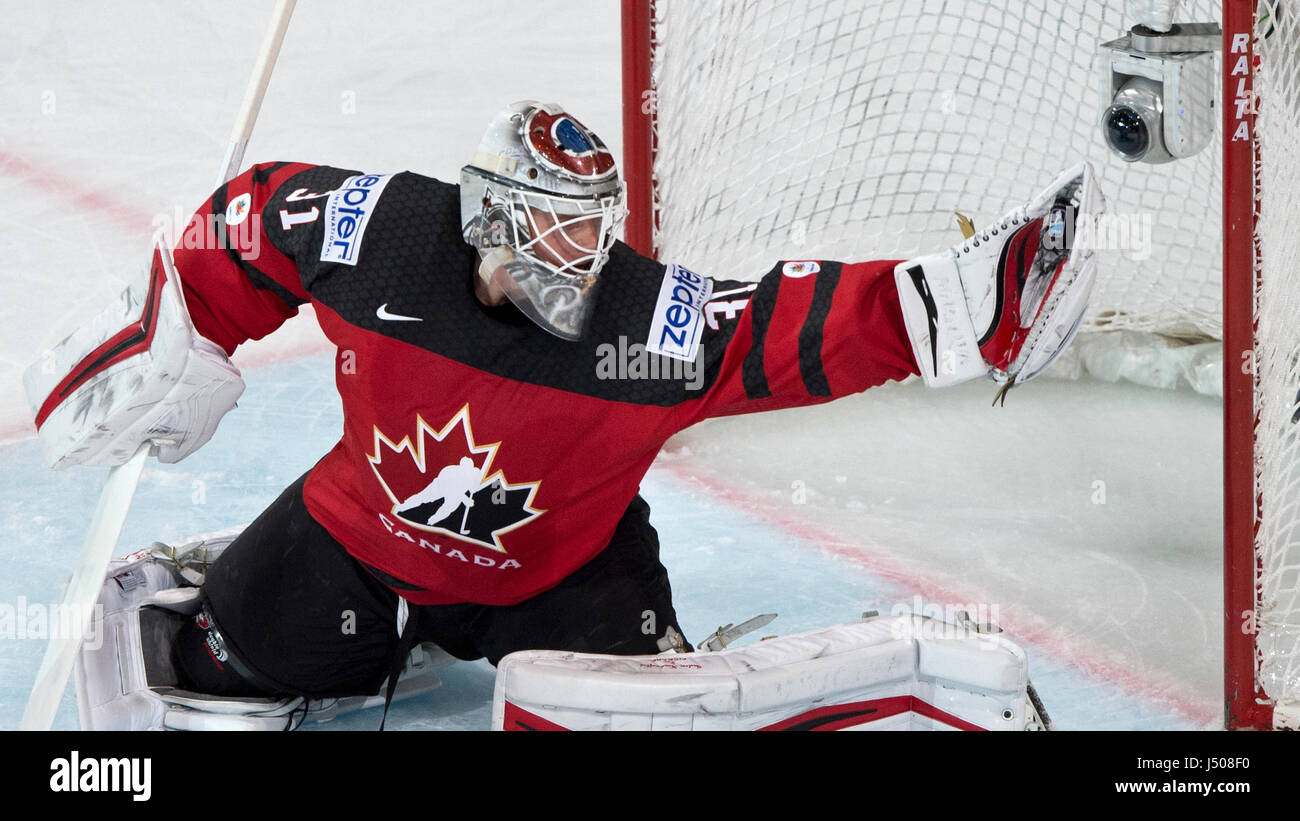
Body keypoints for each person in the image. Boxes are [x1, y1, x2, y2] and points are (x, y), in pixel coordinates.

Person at [34, 101, 1103, 725]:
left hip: (564, 575)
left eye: (591, 229)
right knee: (198, 675)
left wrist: (978, 297)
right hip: (361, 543)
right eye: (549, 230)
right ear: (486, 213)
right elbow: (256, 218)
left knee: (636, 725)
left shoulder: (648, 328)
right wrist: (170, 327)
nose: (578, 257)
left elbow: (805, 321)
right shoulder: (382, 235)